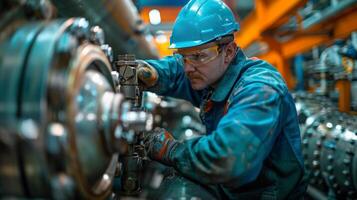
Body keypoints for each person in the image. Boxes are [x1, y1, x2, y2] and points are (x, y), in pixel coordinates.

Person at [137, 0, 307, 199]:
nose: (187, 67)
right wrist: (152, 71)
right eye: (184, 57)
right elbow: (177, 70)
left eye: (198, 56)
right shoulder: (213, 75)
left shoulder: (259, 88)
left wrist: (171, 150)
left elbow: (228, 159)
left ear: (228, 52)